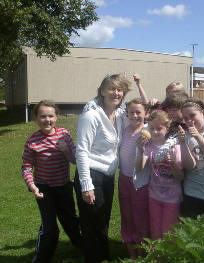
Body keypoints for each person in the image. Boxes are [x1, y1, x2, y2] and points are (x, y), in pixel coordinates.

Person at [74, 74, 131, 263]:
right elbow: (81, 151)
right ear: (102, 91)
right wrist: (86, 185)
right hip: (91, 175)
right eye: (111, 88)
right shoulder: (91, 116)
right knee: (91, 223)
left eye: (120, 89)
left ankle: (103, 256)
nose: (116, 93)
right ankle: (92, 257)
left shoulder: (121, 115)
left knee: (103, 220)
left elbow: (143, 118)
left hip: (107, 176)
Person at [21, 100, 82, 263]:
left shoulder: (64, 134)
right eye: (43, 116)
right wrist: (32, 186)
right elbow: (26, 167)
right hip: (43, 190)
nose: (47, 120)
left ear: (56, 117)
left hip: (63, 187)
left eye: (50, 116)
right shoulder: (32, 141)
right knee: (50, 228)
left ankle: (83, 248)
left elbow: (76, 160)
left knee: (70, 221)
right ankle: (41, 258)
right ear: (36, 118)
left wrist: (66, 152)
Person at [135, 110, 184, 240]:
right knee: (155, 231)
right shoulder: (149, 146)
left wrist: (172, 163)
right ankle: (156, 258)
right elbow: (139, 168)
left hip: (172, 198)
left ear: (167, 129)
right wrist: (140, 150)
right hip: (154, 196)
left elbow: (180, 177)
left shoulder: (175, 148)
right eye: (151, 128)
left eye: (159, 128)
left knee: (168, 233)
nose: (155, 132)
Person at [118, 98, 150, 259]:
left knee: (140, 217)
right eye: (131, 112)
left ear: (146, 114)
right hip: (124, 179)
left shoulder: (148, 132)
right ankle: (131, 253)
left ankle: (141, 253)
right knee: (127, 216)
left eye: (139, 112)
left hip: (140, 183)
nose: (135, 115)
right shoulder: (124, 129)